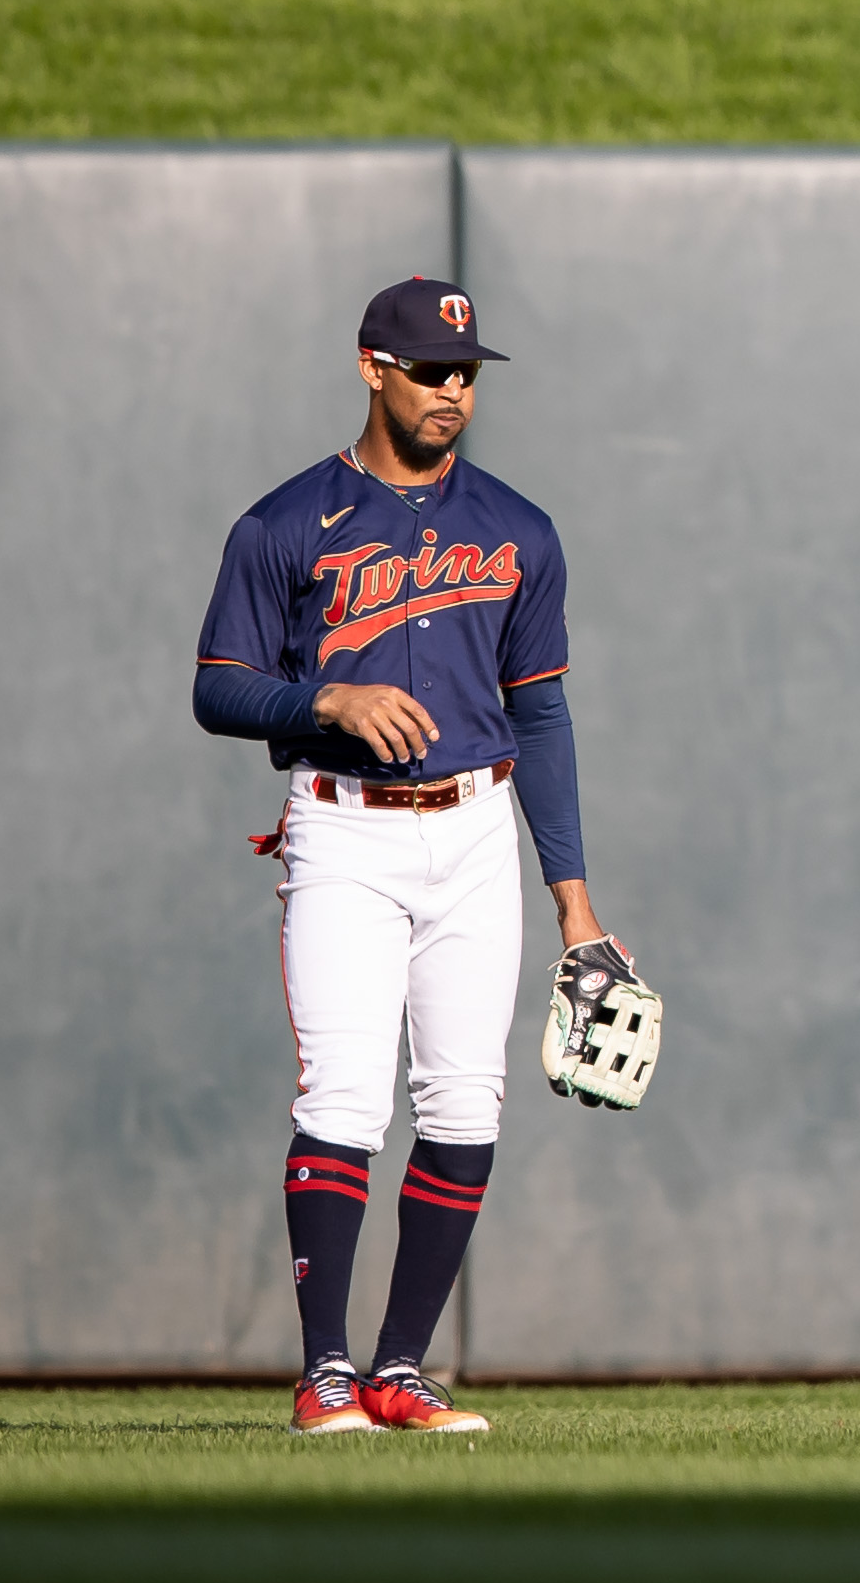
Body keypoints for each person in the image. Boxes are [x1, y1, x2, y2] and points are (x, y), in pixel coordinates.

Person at [190, 275, 623, 1436]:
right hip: (344, 827)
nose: (451, 390)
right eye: (430, 369)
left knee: (466, 1103)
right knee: (343, 1096)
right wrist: (325, 695)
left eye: (467, 373)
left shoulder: (520, 532)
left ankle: (399, 1369)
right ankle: (324, 1373)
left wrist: (577, 907)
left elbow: (541, 716)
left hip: (478, 828)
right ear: (372, 367)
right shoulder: (283, 525)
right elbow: (217, 689)